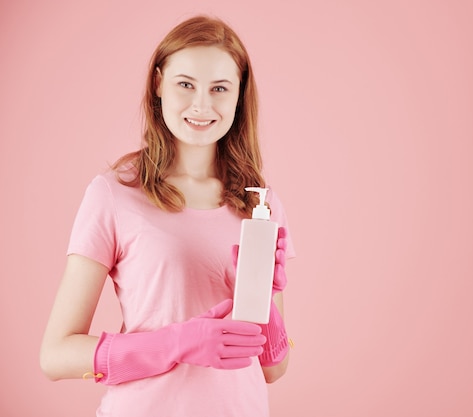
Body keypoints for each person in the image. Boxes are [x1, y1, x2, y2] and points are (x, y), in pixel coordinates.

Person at [39, 15, 295, 417]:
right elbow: (55, 355)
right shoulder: (115, 194)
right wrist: (176, 343)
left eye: (220, 88)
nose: (202, 105)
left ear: (239, 95)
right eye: (185, 84)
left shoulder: (259, 206)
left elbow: (273, 368)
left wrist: (265, 309)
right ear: (158, 82)